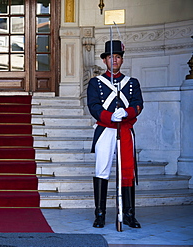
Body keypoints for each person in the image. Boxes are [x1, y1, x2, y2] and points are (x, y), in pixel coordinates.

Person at [87, 40, 143, 228]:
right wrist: (111, 116)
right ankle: (100, 214)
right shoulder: (95, 83)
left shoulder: (132, 82)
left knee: (127, 172)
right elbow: (93, 106)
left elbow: (138, 104)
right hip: (106, 129)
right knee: (102, 170)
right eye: (111, 57)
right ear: (105, 60)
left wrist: (127, 113)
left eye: (118, 57)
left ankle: (128, 213)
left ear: (122, 60)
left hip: (125, 130)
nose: (115, 60)